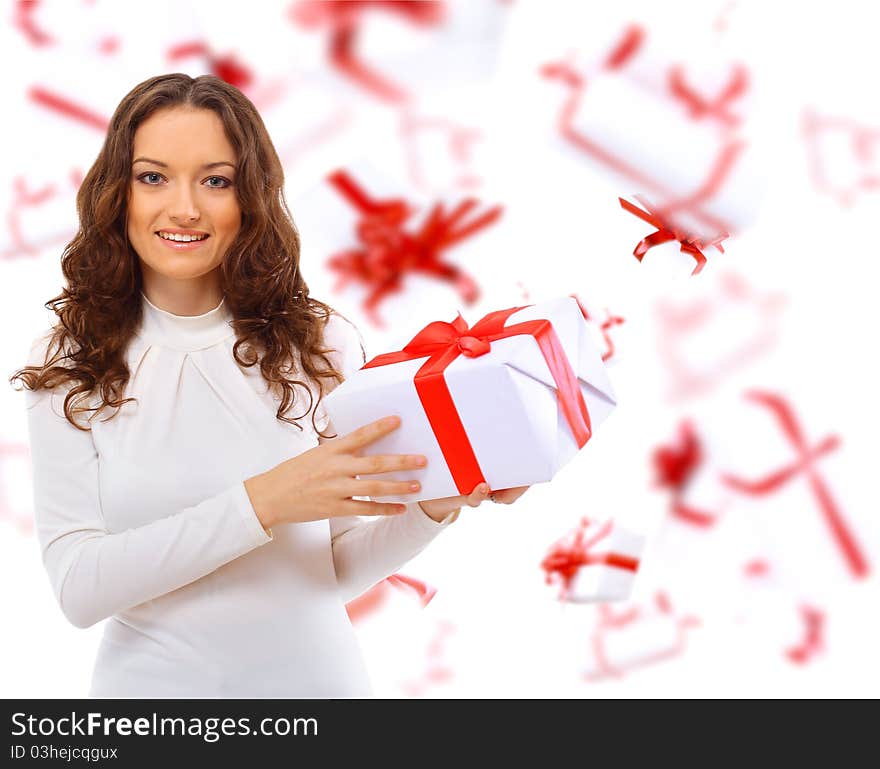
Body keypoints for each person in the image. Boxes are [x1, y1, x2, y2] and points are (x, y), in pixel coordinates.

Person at [9, 73, 528, 698]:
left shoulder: (317, 342)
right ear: (117, 192)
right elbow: (78, 587)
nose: (185, 208)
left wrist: (437, 506)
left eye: (216, 180)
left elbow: (329, 570)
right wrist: (263, 502)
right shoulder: (71, 362)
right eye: (154, 177)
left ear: (249, 197)